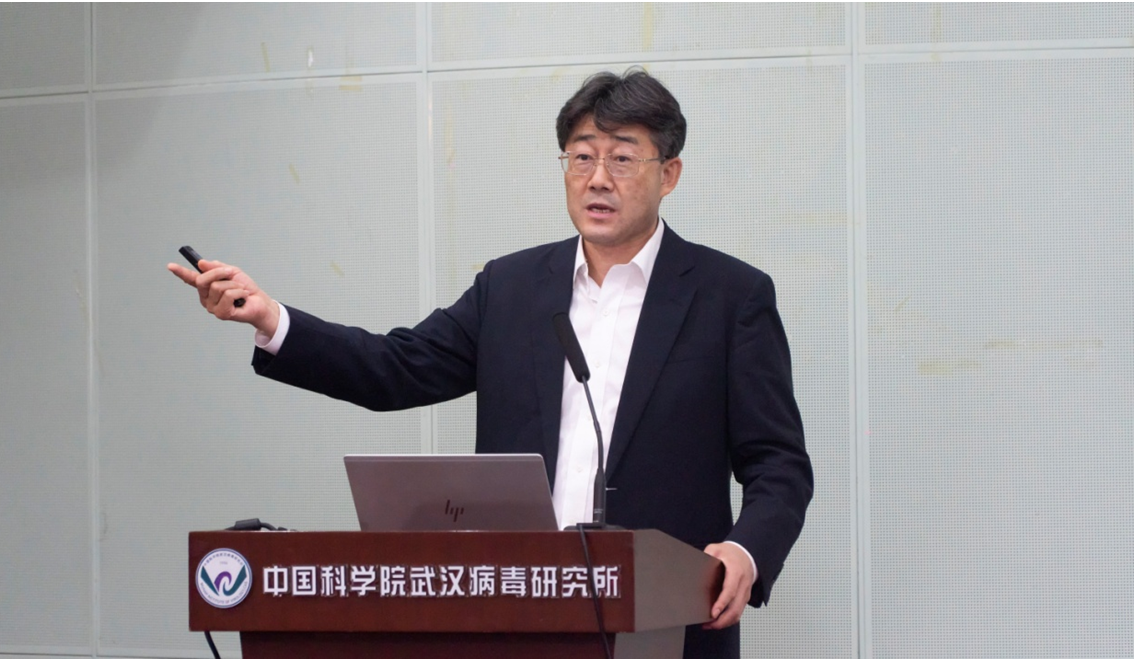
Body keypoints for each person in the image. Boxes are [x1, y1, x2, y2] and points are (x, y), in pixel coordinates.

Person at [169, 68, 812, 659]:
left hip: (666, 626)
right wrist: (271, 320)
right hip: (517, 616)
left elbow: (778, 464)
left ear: (668, 174)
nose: (598, 178)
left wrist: (746, 550)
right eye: (582, 157)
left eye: (622, 158)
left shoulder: (730, 297)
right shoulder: (511, 288)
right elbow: (396, 366)